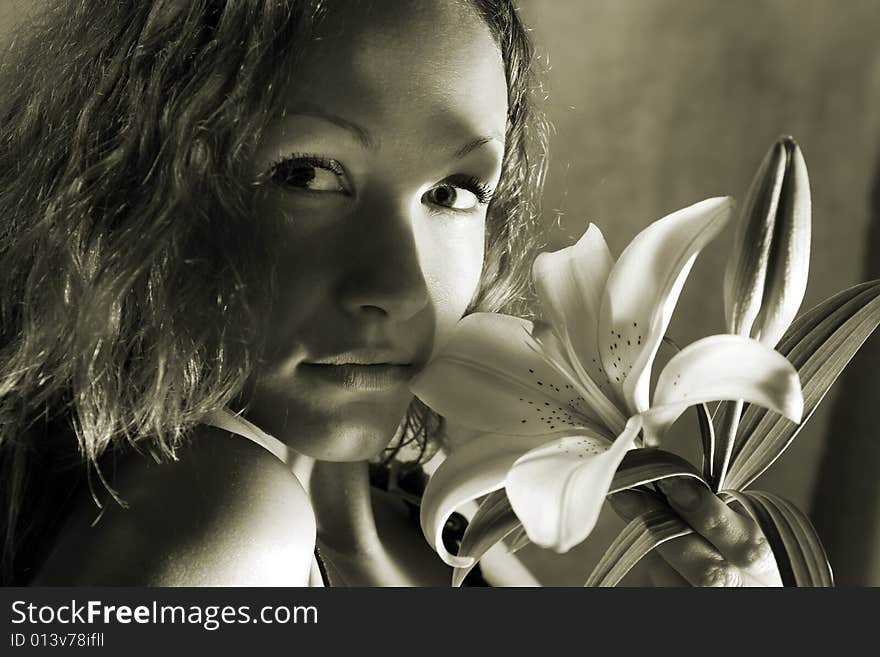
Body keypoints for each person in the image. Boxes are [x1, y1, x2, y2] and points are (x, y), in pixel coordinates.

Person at [0, 0, 779, 586]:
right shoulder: (228, 516)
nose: (400, 286)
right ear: (138, 193)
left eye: (454, 190)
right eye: (304, 173)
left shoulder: (422, 501)